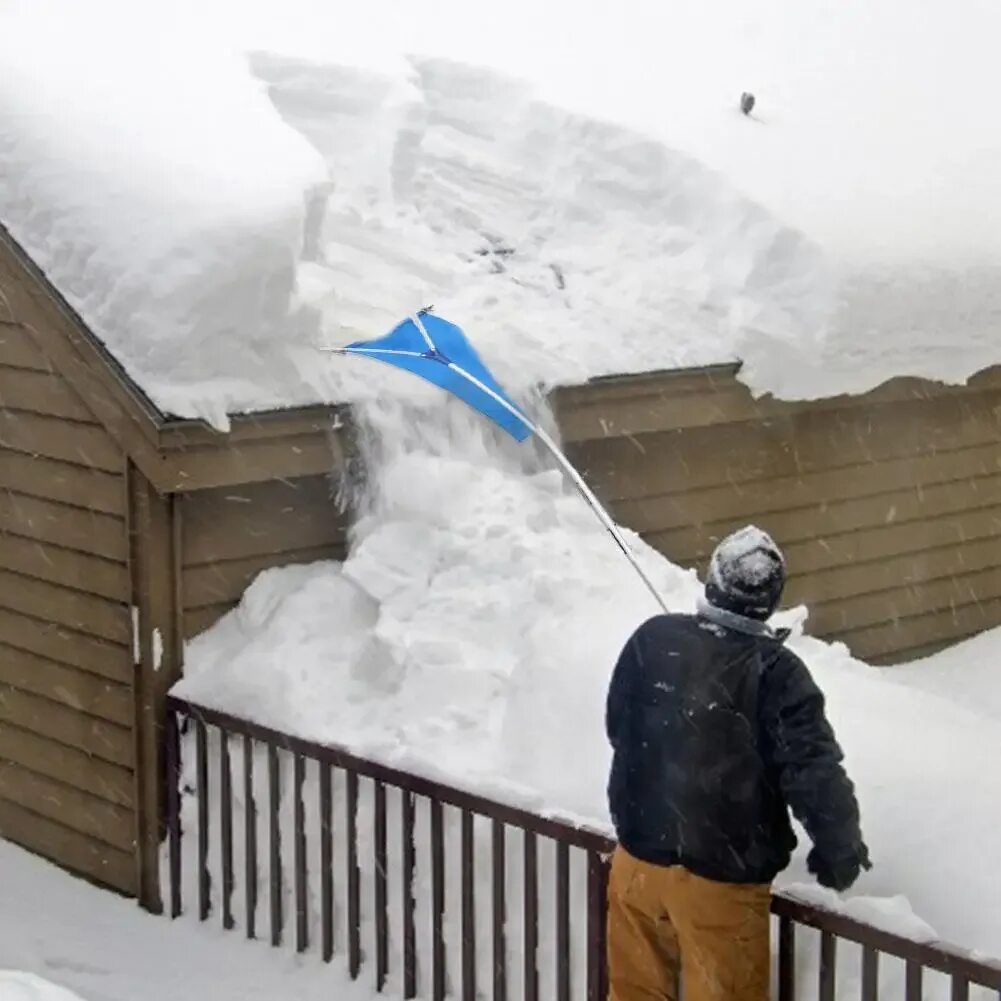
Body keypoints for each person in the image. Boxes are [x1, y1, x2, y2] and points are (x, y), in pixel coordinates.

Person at [605, 525, 870, 1001]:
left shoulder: (653, 638)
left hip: (637, 867)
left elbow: (618, 727)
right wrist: (840, 847)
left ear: (713, 582)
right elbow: (813, 772)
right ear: (769, 601)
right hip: (720, 887)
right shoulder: (777, 673)